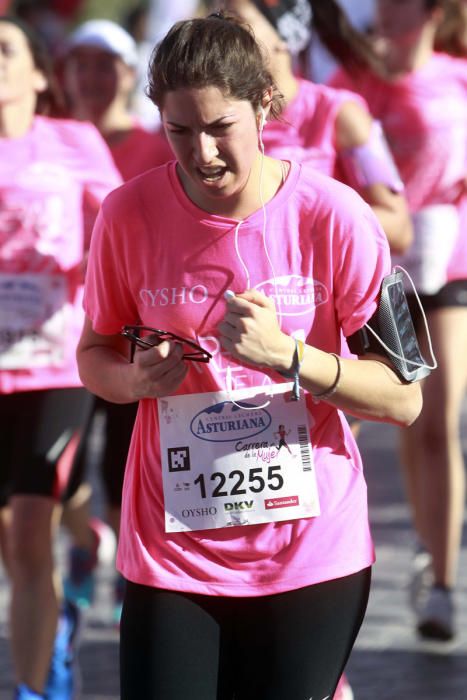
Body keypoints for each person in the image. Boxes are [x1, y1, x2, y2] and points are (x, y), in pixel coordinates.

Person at [77, 12, 422, 699]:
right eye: (179, 131)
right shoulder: (126, 214)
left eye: (218, 128)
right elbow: (93, 355)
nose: (201, 153)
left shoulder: (336, 215)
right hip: (174, 547)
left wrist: (292, 357)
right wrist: (133, 379)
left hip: (309, 548)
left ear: (265, 104)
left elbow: (404, 396)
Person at [330, 0, 467, 642]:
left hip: (445, 259)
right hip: (373, 268)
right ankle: (327, 563)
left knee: (435, 421)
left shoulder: (457, 75)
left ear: (435, 11)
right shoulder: (353, 84)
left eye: (397, 1)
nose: (382, 11)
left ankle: (440, 581)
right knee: (381, 414)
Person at [0, 15, 121, 700]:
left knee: (25, 529)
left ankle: (35, 687)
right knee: (17, 529)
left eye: (6, 49)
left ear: (40, 75)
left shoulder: (72, 141)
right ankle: (89, 539)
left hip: (58, 364)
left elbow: (121, 226)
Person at [58, 17, 173, 618]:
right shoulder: (42, 140)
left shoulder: (160, 144)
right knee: (61, 469)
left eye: (108, 64)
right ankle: (88, 541)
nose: (94, 77)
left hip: (137, 334)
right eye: (82, 64)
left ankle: (134, 571)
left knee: (122, 461)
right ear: (64, 74)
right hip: (56, 336)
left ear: (131, 74)